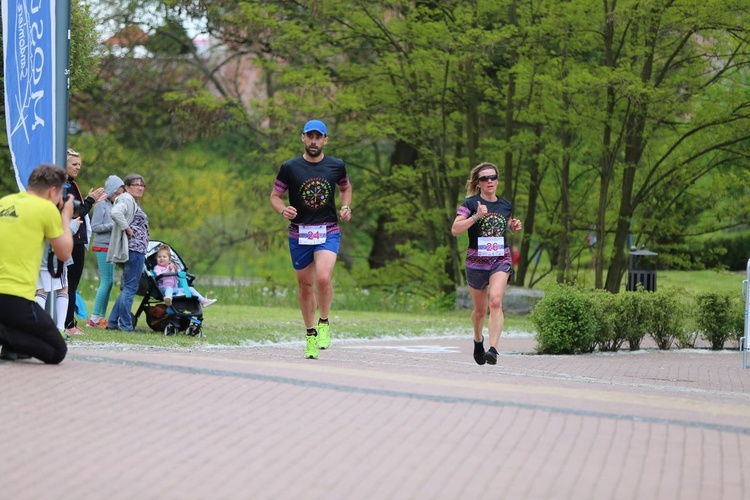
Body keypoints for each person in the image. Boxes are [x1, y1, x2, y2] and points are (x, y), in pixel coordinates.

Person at [269, 119, 352, 359]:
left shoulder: (336, 165)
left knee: (323, 278)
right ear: (303, 138)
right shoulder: (290, 167)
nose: (314, 141)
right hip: (299, 232)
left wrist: (346, 207)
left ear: (325, 140)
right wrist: (282, 209)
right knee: (306, 285)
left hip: (327, 230)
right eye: (310, 136)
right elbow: (275, 196)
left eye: (319, 137)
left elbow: (345, 188)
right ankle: (310, 335)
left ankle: (324, 321)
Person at [0, 164, 74, 363]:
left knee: (18, 326)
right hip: (15, 297)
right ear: (52, 191)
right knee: (57, 351)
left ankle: (10, 344)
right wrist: (65, 216)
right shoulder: (45, 209)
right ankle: (5, 335)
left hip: (7, 297)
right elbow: (65, 253)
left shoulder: (5, 202)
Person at [451, 162, 522, 366]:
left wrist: (514, 225)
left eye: (493, 177)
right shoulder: (470, 204)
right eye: (484, 178)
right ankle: (478, 340)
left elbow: (506, 223)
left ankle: (493, 349)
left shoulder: (505, 204)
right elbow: (455, 230)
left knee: (496, 301)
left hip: (500, 258)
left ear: (497, 180)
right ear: (478, 183)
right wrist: (476, 217)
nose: (489, 181)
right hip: (476, 261)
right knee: (480, 311)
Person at [63, 149, 106, 335]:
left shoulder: (71, 184)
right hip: (71, 239)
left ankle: (67, 322)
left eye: (79, 164)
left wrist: (87, 201)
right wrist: (90, 200)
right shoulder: (65, 186)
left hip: (75, 239)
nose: (78, 167)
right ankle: (69, 325)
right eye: (74, 164)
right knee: (69, 284)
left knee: (68, 284)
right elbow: (74, 213)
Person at [106, 174, 149, 332]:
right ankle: (125, 325)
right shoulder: (126, 199)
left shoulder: (132, 201)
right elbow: (116, 213)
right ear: (127, 187)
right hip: (133, 249)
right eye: (136, 184)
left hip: (136, 249)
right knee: (131, 288)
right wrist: (127, 228)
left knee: (129, 287)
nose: (139, 187)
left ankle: (112, 323)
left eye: (142, 185)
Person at [88, 175, 125, 328]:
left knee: (109, 282)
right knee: (106, 281)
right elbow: (95, 226)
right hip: (102, 246)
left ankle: (101, 317)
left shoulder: (112, 205)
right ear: (111, 191)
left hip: (112, 247)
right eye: (117, 193)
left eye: (121, 194)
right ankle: (94, 318)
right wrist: (113, 225)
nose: (118, 197)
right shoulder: (100, 205)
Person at [36, 215, 82, 338]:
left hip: (39, 257)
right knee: (63, 289)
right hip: (56, 259)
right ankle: (60, 328)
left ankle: (37, 328)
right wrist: (72, 226)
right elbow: (59, 235)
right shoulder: (52, 211)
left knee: (41, 291)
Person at [153, 244, 217, 308]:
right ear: (156, 259)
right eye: (159, 257)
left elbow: (177, 278)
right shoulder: (157, 268)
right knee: (169, 288)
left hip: (174, 289)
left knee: (190, 289)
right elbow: (160, 276)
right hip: (163, 289)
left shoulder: (172, 266)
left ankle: (203, 301)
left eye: (164, 257)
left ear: (169, 260)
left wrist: (176, 270)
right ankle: (168, 299)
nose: (161, 258)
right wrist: (168, 270)